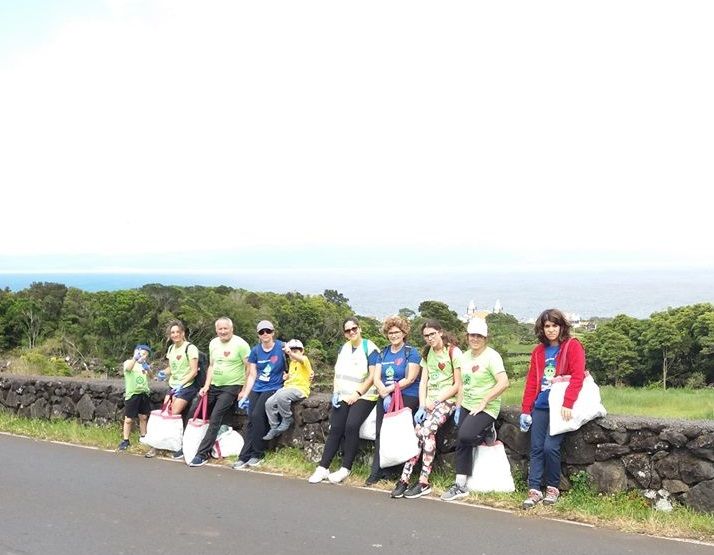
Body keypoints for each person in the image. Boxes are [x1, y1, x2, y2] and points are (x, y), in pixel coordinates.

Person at [520, 308, 586, 508]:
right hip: (540, 405)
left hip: (559, 407)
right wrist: (525, 409)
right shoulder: (539, 351)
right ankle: (534, 489)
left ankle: (552, 487)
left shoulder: (572, 346)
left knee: (551, 447)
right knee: (536, 448)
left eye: (554, 325)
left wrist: (568, 402)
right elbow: (532, 381)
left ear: (561, 326)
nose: (550, 330)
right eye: (547, 326)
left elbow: (578, 376)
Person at [392, 319, 462, 498]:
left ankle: (423, 480)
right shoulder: (428, 353)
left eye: (432, 334)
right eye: (426, 336)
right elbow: (423, 381)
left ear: (440, 332)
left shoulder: (453, 352)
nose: (430, 338)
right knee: (417, 433)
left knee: (427, 431)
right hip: (429, 402)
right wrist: (422, 405)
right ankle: (405, 478)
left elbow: (457, 384)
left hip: (447, 400)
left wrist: (437, 400)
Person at [441, 318, 509, 501]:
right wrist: (458, 406)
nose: (475, 339)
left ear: (485, 338)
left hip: (486, 407)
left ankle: (488, 428)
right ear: (467, 337)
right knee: (461, 438)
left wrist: (485, 400)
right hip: (467, 405)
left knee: (466, 436)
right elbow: (462, 384)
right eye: (472, 335)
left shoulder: (492, 357)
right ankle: (461, 483)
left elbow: (504, 382)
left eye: (479, 336)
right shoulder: (464, 357)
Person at [308, 317, 380, 484]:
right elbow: (337, 373)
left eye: (354, 328)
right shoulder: (344, 348)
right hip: (343, 395)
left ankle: (345, 467)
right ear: (345, 334)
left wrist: (357, 393)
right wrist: (335, 392)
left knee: (351, 426)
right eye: (348, 330)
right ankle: (323, 467)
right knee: (336, 428)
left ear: (360, 328)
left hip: (364, 395)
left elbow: (372, 376)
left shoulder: (370, 347)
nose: (352, 332)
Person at [366, 315, 421, 486]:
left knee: (400, 432)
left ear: (404, 333)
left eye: (397, 332)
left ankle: (399, 472)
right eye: (390, 333)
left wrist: (389, 390)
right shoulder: (383, 353)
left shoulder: (411, 352)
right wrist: (383, 392)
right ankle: (377, 471)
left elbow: (410, 378)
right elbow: (376, 377)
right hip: (385, 395)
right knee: (381, 432)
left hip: (407, 394)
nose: (394, 335)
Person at [188, 317, 251, 467]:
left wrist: (243, 390)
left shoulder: (241, 344)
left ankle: (202, 454)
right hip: (214, 385)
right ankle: (186, 447)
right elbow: (211, 366)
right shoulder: (213, 343)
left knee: (216, 417)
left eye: (225, 328)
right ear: (216, 330)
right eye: (220, 329)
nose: (223, 331)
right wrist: (206, 386)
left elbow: (249, 368)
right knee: (193, 411)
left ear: (231, 329)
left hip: (232, 386)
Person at [233, 320, 287, 469]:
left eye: (268, 331)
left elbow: (298, 356)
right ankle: (244, 456)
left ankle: (258, 453)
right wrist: (245, 395)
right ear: (258, 334)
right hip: (258, 387)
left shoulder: (281, 347)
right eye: (262, 332)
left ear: (273, 333)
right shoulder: (255, 351)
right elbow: (252, 374)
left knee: (257, 415)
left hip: (273, 386)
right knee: (251, 419)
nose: (265, 334)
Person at [145, 320, 200, 459]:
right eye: (172, 332)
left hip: (187, 386)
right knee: (165, 413)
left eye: (177, 332)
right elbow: (172, 368)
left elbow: (193, 371)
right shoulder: (171, 349)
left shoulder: (190, 348)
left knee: (174, 412)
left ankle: (179, 445)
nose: (175, 335)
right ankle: (161, 444)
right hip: (173, 385)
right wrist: (163, 372)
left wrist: (181, 384)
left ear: (183, 333)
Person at [263, 338, 313, 440]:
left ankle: (287, 418)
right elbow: (294, 376)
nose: (292, 354)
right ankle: (274, 427)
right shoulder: (292, 363)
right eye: (291, 352)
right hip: (288, 388)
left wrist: (290, 352)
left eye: (295, 351)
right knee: (269, 403)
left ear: (302, 351)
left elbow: (301, 360)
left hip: (300, 389)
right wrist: (287, 377)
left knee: (282, 396)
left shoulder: (304, 360)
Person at [117, 344, 152, 451]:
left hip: (144, 393)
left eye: (145, 354)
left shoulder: (144, 365)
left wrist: (147, 368)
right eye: (141, 353)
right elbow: (128, 369)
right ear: (136, 352)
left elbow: (152, 376)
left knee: (143, 417)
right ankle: (125, 440)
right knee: (129, 419)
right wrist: (135, 359)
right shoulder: (129, 362)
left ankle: (143, 438)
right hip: (132, 394)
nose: (143, 355)